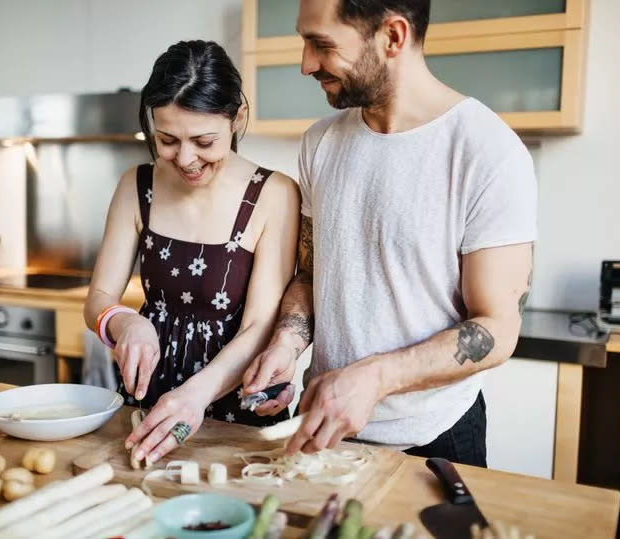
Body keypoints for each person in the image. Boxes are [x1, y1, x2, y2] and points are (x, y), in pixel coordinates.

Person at [242, 0, 536, 467]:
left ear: (393, 37)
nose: (305, 64)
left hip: (435, 438)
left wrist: (374, 378)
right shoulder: (320, 142)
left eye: (321, 45)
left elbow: (498, 328)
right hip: (325, 424)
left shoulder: (486, 151)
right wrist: (286, 344)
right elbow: (312, 274)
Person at [84, 40, 300, 466]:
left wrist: (196, 395)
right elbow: (98, 300)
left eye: (204, 141)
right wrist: (127, 323)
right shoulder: (136, 185)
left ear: (237, 118)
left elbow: (260, 324)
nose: (185, 159)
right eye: (167, 139)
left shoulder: (273, 194)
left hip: (236, 404)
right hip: (149, 405)